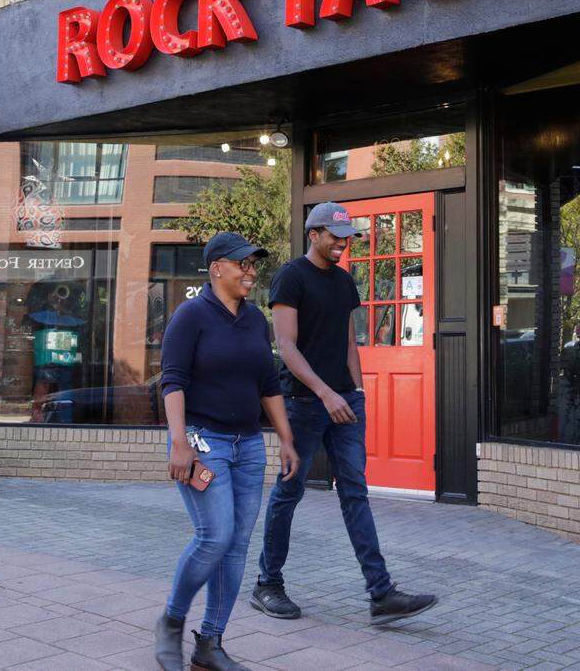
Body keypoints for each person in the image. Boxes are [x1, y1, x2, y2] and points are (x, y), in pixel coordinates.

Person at [250, 202, 437, 626]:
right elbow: (287, 346)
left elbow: (348, 341)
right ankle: (267, 584)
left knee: (355, 492)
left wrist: (355, 391)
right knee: (289, 492)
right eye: (334, 235)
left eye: (346, 236)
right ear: (313, 234)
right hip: (302, 403)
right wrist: (325, 392)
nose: (341, 243)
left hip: (344, 401)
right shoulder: (291, 277)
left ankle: (381, 593)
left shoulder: (344, 282)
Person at [155, 231, 300, 671]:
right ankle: (172, 621)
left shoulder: (256, 319)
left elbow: (269, 384)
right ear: (217, 267)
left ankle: (210, 642)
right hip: (203, 442)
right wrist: (180, 443)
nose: (251, 272)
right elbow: (172, 381)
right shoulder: (191, 316)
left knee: (236, 546)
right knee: (214, 537)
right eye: (243, 264)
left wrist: (286, 439)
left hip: (249, 446)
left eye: (254, 264)